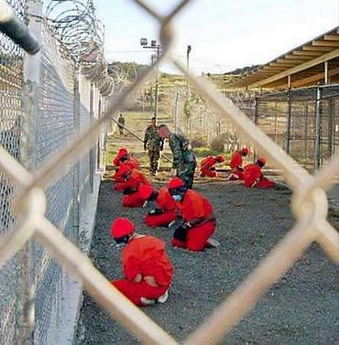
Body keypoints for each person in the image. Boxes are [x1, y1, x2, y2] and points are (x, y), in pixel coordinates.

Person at [111, 217, 174, 306]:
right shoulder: (152, 240)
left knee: (112, 288)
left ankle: (143, 300)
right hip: (164, 284)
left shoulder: (130, 251)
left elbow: (137, 279)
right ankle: (160, 293)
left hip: (150, 289)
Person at [167, 177, 217, 251]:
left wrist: (186, 226)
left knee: (194, 247)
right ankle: (199, 238)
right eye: (171, 192)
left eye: (175, 191)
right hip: (192, 223)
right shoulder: (179, 199)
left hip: (204, 223)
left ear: (181, 190)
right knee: (176, 242)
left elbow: (200, 217)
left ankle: (204, 240)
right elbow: (184, 213)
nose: (173, 194)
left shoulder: (194, 198)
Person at [157, 124, 196, 189]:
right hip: (190, 161)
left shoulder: (172, 138)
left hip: (185, 163)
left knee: (183, 187)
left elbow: (177, 153)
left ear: (163, 132)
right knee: (186, 185)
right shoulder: (176, 135)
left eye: (159, 133)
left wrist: (174, 168)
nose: (159, 136)